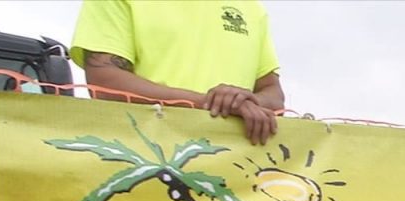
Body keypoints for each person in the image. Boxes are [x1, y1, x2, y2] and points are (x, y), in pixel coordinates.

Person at [70, 1, 284, 145]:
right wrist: (212, 103)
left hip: (235, 168)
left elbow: (273, 94)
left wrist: (244, 102)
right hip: (143, 160)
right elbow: (104, 81)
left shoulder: (252, 7)